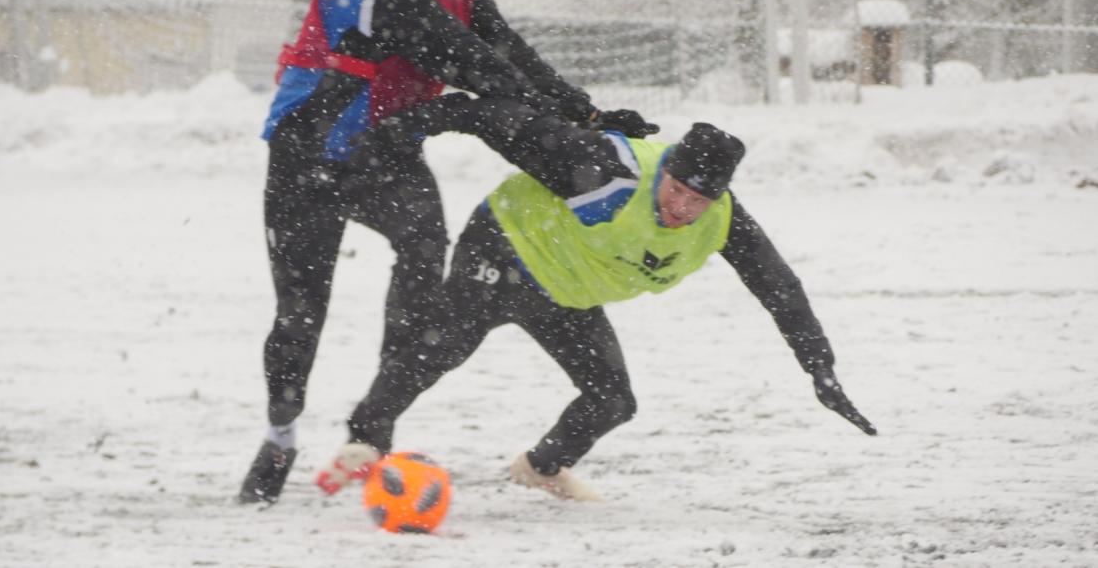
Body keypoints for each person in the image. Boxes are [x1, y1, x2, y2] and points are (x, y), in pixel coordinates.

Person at [239, 0, 654, 504]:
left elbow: (501, 43)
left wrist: (586, 110)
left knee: (425, 247)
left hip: (385, 142)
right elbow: (464, 60)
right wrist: (564, 120)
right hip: (310, 147)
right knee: (301, 311)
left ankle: (372, 430)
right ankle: (281, 432)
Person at [318, 96, 877, 501]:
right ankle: (363, 443)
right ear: (667, 168)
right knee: (441, 350)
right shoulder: (607, 170)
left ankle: (542, 467)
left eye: (698, 201)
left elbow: (781, 290)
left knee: (614, 400)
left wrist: (820, 370)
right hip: (506, 248)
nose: (682, 208)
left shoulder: (724, 223)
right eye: (677, 190)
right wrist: (407, 126)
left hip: (566, 291)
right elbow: (489, 114)